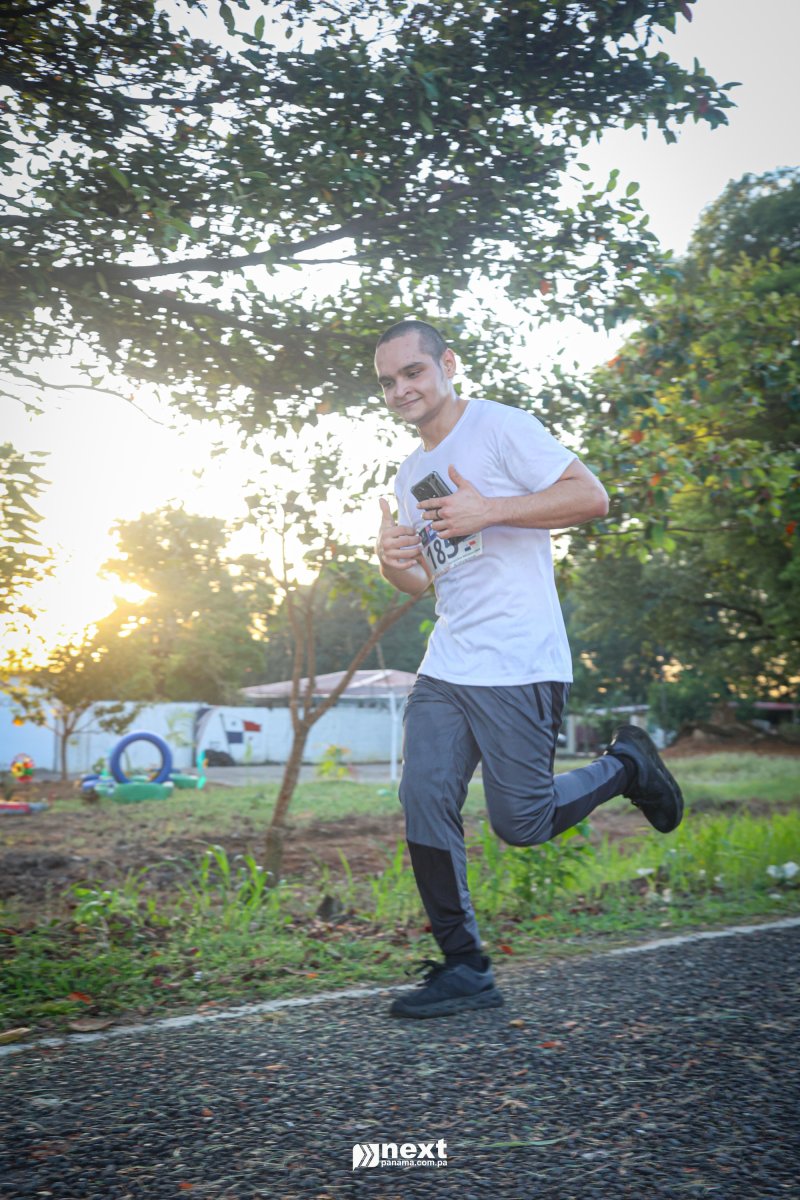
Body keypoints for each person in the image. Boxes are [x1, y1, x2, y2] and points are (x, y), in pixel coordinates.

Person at [374, 318, 683, 1020]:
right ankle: (465, 966)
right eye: (388, 382)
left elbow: (591, 497)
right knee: (422, 794)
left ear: (448, 364)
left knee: (523, 821)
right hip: (449, 661)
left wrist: (490, 509)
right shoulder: (409, 473)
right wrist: (392, 562)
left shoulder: (500, 426)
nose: (401, 390)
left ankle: (627, 766)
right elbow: (426, 580)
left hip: (519, 659)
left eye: (413, 372)